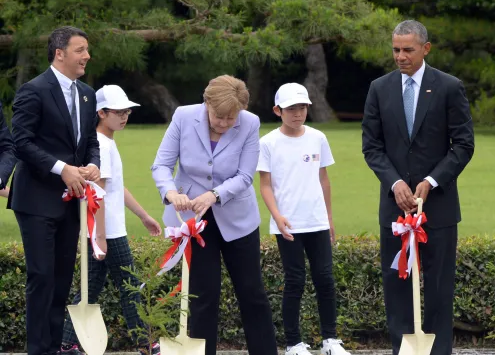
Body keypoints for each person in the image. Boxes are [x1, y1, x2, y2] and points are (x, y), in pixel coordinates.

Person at [361, 20, 475, 355]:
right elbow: (372, 147)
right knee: (397, 290)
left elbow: (463, 145)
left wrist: (431, 181)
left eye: (407, 49)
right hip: (395, 209)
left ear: (425, 48)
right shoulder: (378, 89)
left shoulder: (449, 87)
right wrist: (395, 182)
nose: (400, 56)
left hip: (437, 210)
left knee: (439, 291)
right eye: (396, 49)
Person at [151, 75, 278, 355]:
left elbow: (245, 175)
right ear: (206, 102)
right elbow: (161, 165)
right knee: (203, 296)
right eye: (219, 116)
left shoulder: (250, 123)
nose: (224, 123)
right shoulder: (183, 117)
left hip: (237, 219)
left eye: (231, 118)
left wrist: (215, 194)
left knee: (252, 293)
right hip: (193, 222)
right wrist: (172, 193)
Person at [9, 26, 101, 355]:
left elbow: (90, 142)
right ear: (59, 53)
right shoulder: (33, 91)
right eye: (80, 50)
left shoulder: (88, 94)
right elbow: (21, 142)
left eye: (87, 50)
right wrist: (63, 169)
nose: (87, 56)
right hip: (36, 200)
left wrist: (92, 166)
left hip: (70, 203)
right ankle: (39, 350)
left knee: (62, 280)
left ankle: (52, 348)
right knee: (42, 277)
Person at [60, 85, 162, 355]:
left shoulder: (106, 142)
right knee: (131, 284)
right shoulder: (101, 145)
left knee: (89, 289)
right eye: (118, 112)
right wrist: (101, 237)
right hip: (108, 232)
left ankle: (68, 343)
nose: (124, 116)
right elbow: (98, 194)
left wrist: (143, 216)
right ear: (101, 113)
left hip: (104, 231)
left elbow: (118, 188)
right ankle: (146, 343)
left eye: (127, 111)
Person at [257, 82, 350, 355]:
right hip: (288, 223)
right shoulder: (268, 143)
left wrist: (329, 218)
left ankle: (330, 340)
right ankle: (293, 343)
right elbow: (265, 184)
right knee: (295, 280)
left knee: (325, 278)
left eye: (302, 107)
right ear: (278, 110)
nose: (298, 113)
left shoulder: (318, 138)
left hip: (317, 221)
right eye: (291, 109)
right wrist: (277, 216)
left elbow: (323, 179)